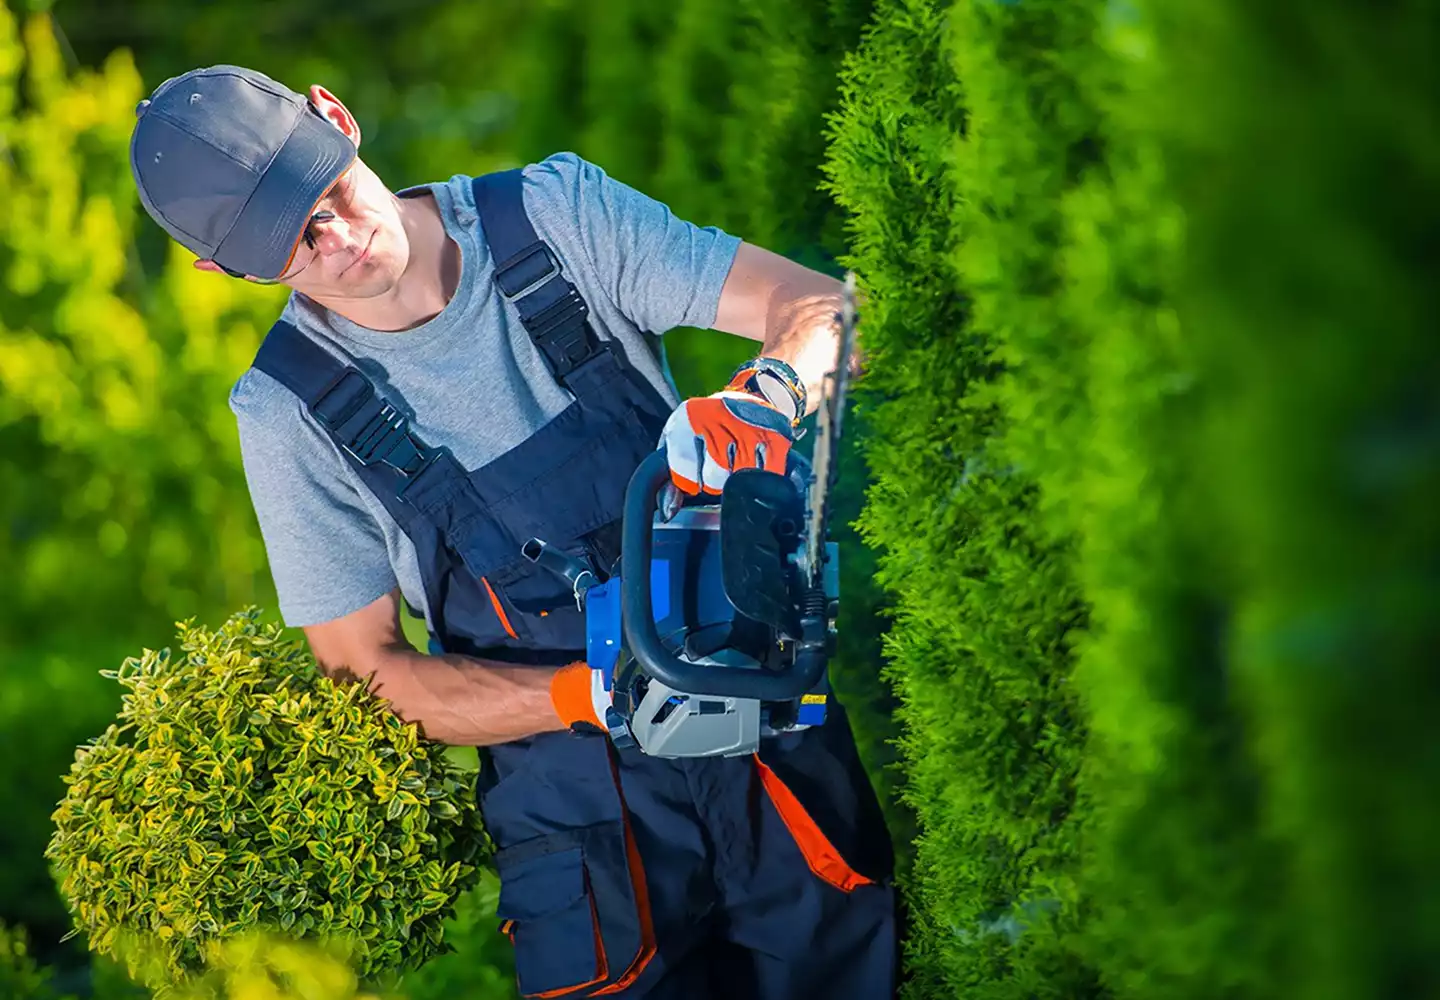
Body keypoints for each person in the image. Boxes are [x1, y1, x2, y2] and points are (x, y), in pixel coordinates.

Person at [129, 64, 895, 999]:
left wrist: (770, 396)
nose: (336, 241)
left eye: (322, 193)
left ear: (338, 116)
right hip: (579, 827)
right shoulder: (289, 412)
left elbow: (827, 311)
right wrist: (590, 695)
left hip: (765, 731)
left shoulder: (553, 219)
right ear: (225, 272)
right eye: (291, 244)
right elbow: (370, 681)